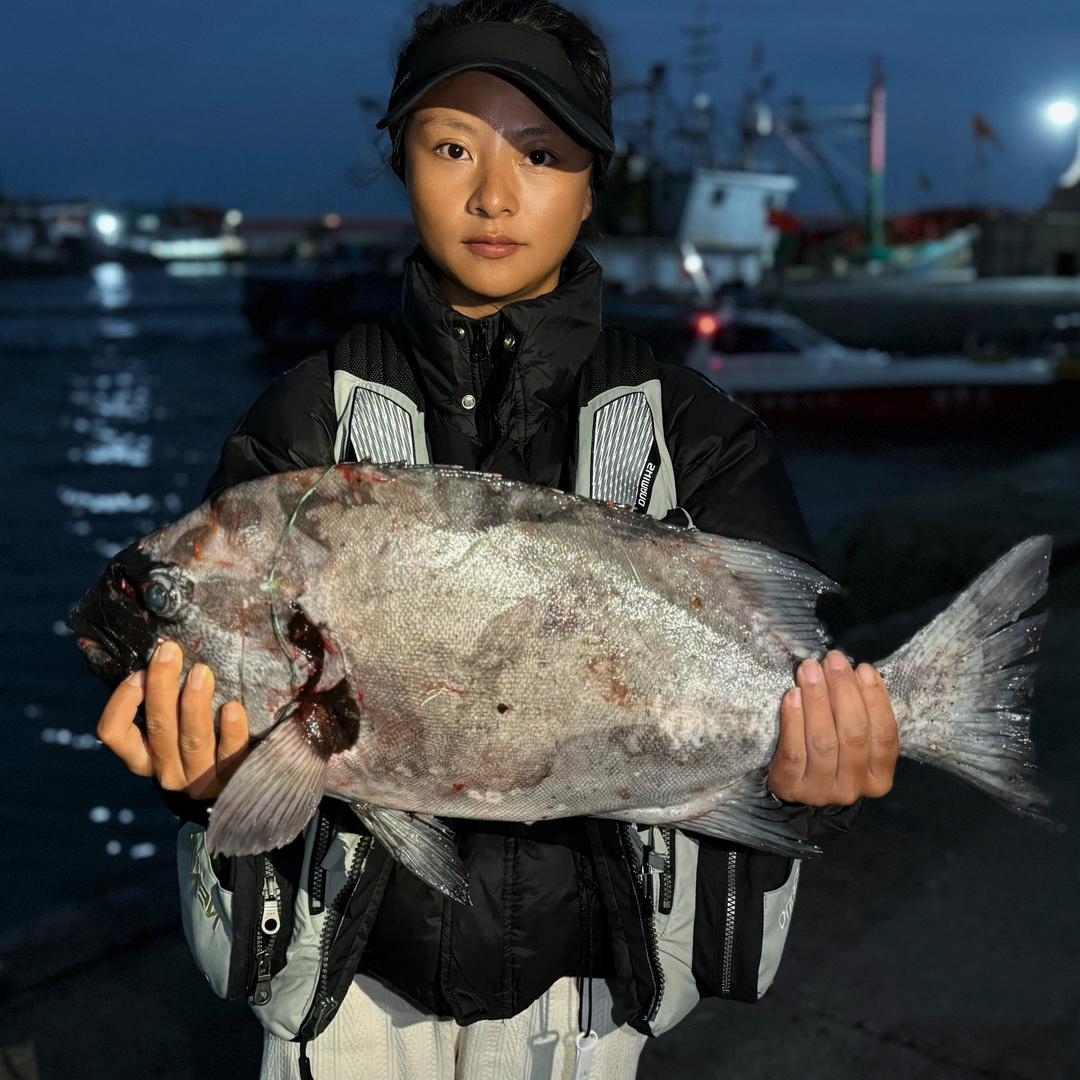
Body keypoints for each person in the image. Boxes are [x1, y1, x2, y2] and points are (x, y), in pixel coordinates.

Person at [96, 2, 899, 1077]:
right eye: (451, 148)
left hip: (593, 1005)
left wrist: (818, 771)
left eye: (542, 153)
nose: (494, 193)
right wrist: (198, 778)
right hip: (348, 1003)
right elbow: (248, 726)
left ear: (593, 182)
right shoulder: (299, 423)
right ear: (401, 163)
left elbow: (789, 701)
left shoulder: (701, 436)